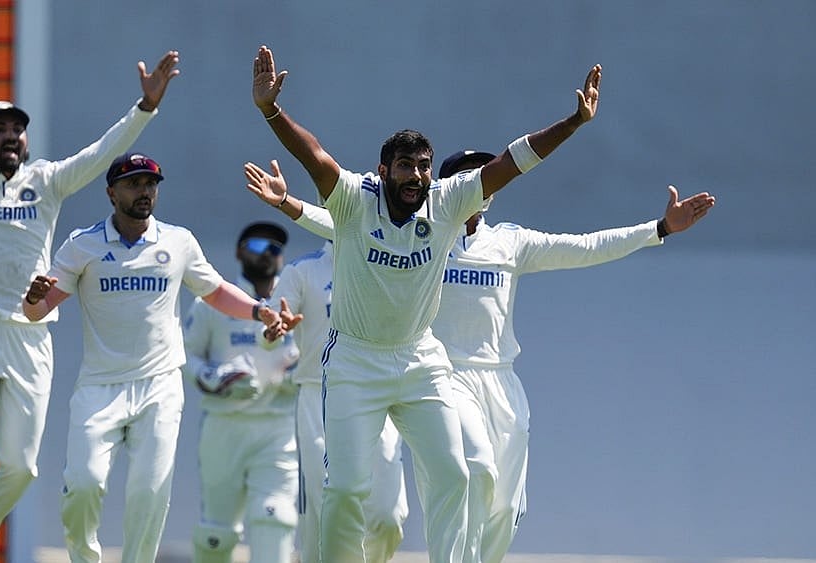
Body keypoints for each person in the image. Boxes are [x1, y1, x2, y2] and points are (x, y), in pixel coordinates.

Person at [244, 152, 716, 563]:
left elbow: (586, 247)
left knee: (506, 508)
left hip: (501, 381)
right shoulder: (425, 230)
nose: (482, 185)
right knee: (473, 468)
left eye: (486, 176)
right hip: (439, 376)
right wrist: (288, 203)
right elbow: (339, 222)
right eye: (471, 176)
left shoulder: (509, 242)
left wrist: (657, 229)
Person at [250, 44, 601, 562]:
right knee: (346, 491)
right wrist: (271, 111)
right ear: (383, 169)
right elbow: (315, 155)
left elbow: (512, 161)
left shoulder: (449, 201)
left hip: (420, 360)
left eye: (424, 167)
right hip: (355, 360)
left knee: (455, 476)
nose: (416, 176)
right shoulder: (352, 198)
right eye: (406, 166)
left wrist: (573, 122)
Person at [0, 14, 180, 563]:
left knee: (22, 467)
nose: (11, 136)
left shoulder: (45, 181)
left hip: (30, 336)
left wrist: (145, 108)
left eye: (18, 128)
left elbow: (99, 155)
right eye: (0, 129)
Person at [20, 153, 294, 563]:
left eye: (150, 184)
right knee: (83, 485)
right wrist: (32, 301)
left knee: (149, 491)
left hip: (159, 385)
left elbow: (215, 291)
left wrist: (259, 311)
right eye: (133, 184)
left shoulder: (177, 241)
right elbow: (38, 312)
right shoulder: (82, 245)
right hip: (100, 386)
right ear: (112, 193)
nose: (144, 191)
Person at [265, 235, 409, 563]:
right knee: (322, 512)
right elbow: (271, 330)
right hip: (320, 396)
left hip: (377, 393)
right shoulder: (304, 270)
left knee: (388, 516)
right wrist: (275, 328)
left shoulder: (388, 262)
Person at [182, 222, 303, 563]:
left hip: (277, 427)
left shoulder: (294, 302)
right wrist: (215, 377)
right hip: (224, 425)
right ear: (239, 252)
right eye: (258, 244)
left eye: (275, 247)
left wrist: (291, 376)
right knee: (215, 534)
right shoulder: (213, 302)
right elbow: (185, 356)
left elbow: (317, 358)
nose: (267, 253)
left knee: (274, 516)